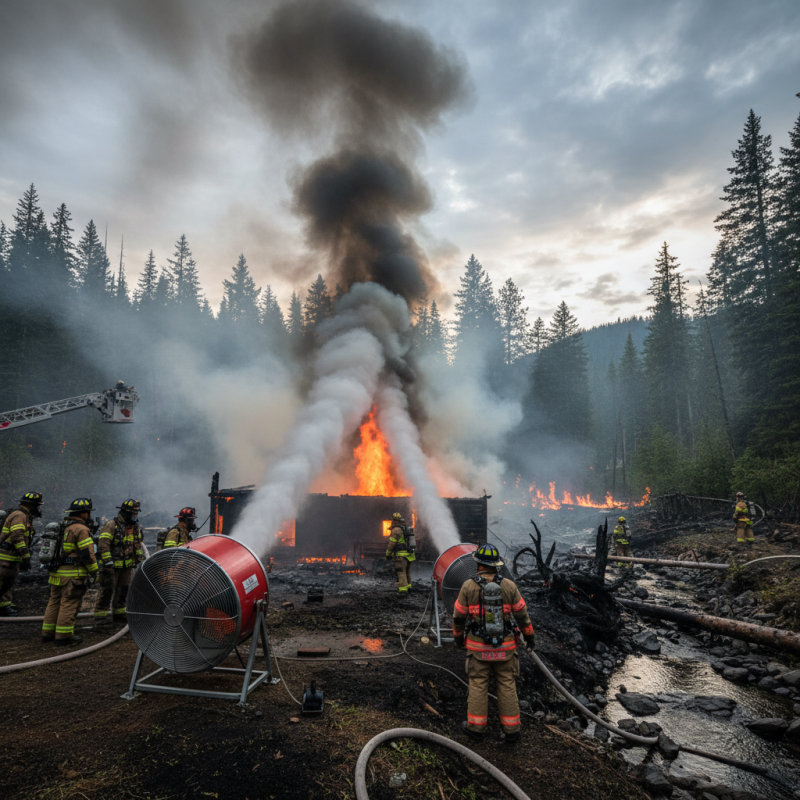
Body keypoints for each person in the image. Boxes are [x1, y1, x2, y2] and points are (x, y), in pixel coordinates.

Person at [453, 543, 535, 742]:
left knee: (478, 684)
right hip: (505, 648)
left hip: (477, 648)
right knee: (507, 684)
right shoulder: (509, 585)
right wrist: (529, 635)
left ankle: (475, 728)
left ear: (478, 564)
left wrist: (458, 638)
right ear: (496, 565)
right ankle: (512, 730)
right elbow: (522, 615)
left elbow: (458, 617)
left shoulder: (468, 586)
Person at [42, 498, 99, 646]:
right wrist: (95, 572)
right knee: (69, 603)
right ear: (84, 514)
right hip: (73, 575)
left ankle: (47, 633)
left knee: (54, 601)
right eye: (88, 513)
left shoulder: (63, 526)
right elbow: (87, 554)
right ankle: (63, 636)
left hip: (56, 573)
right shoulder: (81, 529)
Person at [94, 499, 144, 625]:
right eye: (133, 513)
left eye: (136, 513)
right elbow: (103, 544)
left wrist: (140, 559)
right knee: (107, 590)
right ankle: (100, 617)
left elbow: (137, 544)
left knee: (123, 590)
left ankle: (119, 614)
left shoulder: (135, 527)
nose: (135, 516)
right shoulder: (112, 525)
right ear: (125, 512)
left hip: (127, 566)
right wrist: (107, 561)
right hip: (111, 567)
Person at [0, 492, 43, 616]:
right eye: (37, 505)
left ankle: (3, 607)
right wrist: (25, 556)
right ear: (31, 505)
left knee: (7, 584)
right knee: (3, 582)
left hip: (10, 557)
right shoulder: (20, 515)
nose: (38, 509)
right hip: (6, 557)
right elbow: (17, 536)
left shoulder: (24, 515)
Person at [385, 512, 414, 597]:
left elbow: (392, 544)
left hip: (401, 556)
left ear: (394, 520)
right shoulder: (405, 528)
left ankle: (402, 590)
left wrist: (388, 553)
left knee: (401, 572)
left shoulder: (396, 530)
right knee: (407, 572)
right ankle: (408, 587)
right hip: (409, 555)